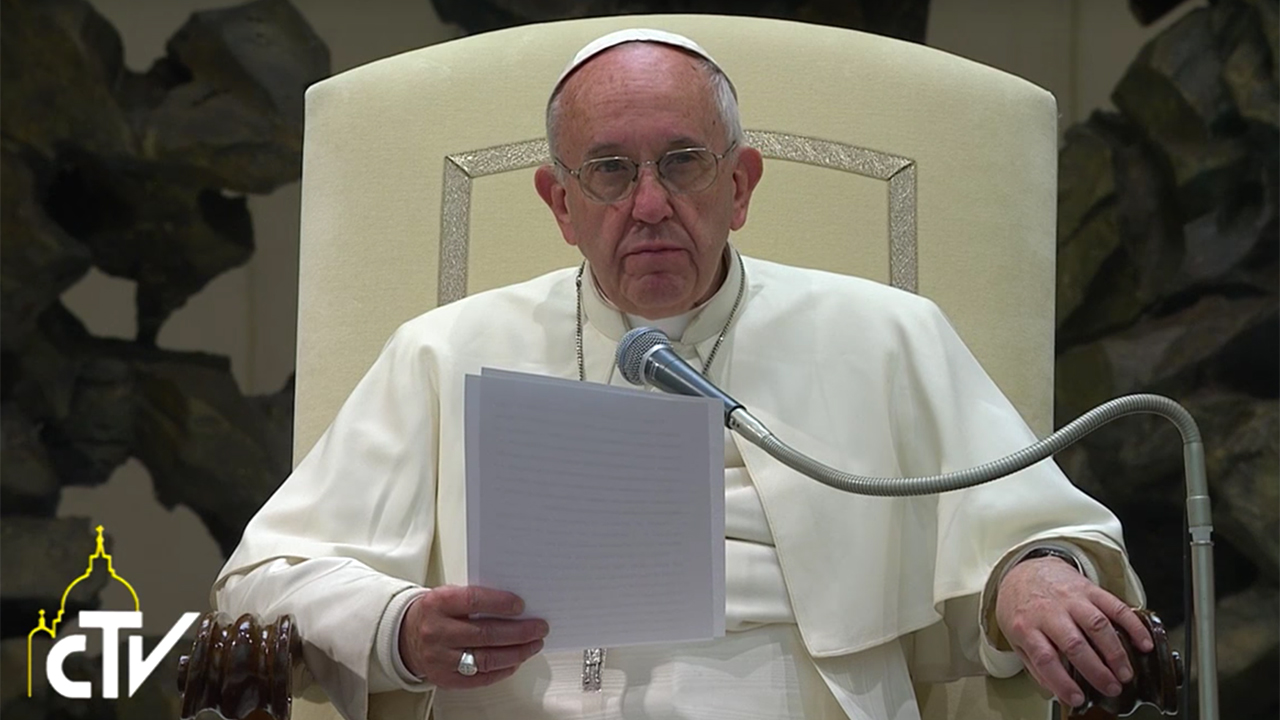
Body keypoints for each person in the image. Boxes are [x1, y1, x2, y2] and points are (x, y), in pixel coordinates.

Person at [214, 29, 1152, 720]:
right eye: (611, 171)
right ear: (560, 202)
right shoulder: (442, 351)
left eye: (684, 164)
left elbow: (1037, 531)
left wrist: (1037, 575)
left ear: (739, 185)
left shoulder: (887, 334)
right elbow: (259, 587)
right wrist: (401, 627)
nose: (651, 204)